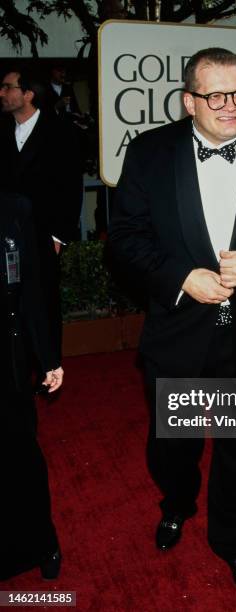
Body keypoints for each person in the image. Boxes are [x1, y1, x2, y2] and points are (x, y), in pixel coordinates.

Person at [108, 48, 236, 594]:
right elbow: (126, 242)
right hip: (176, 337)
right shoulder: (150, 153)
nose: (231, 106)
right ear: (188, 101)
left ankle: (230, 535)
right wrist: (181, 278)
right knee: (172, 446)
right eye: (215, 95)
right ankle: (177, 503)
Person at [0, 192, 63, 581]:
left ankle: (43, 541)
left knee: (20, 451)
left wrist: (48, 355)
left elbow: (33, 291)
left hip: (9, 355)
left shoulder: (15, 208)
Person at [0, 66, 83, 361]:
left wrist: (59, 234)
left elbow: (71, 186)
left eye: (8, 87)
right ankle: (16, 368)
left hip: (43, 233)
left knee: (44, 302)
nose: (2, 93)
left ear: (28, 94)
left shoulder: (60, 131)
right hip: (5, 234)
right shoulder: (2, 130)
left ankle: (48, 366)